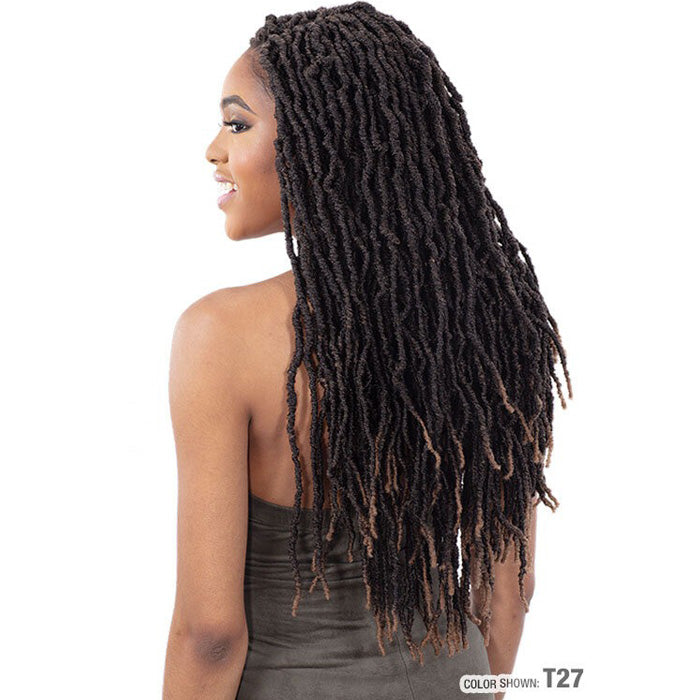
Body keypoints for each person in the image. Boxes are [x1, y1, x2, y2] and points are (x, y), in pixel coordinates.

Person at [162, 3, 573, 698]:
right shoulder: (495, 323)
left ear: (322, 143)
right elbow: (511, 591)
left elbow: (210, 635)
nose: (213, 150)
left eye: (237, 125)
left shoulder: (220, 335)